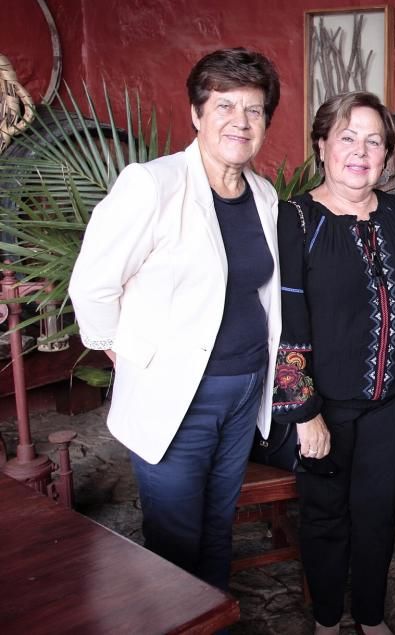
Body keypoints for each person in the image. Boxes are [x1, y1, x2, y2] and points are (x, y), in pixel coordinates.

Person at [68, 48, 282, 590]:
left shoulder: (263, 194)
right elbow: (92, 284)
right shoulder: (153, 184)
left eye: (254, 110)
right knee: (174, 537)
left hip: (243, 392)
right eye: (225, 106)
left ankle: (212, 619)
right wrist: (129, 353)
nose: (240, 121)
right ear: (196, 113)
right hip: (178, 396)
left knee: (218, 526)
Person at [272, 92, 395, 635]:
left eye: (373, 140)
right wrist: (304, 409)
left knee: (379, 513)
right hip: (325, 406)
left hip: (391, 402)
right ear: (322, 145)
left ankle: (369, 614)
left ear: (386, 154)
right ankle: (327, 619)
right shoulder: (296, 219)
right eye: (347, 137)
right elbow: (287, 319)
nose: (360, 151)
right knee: (324, 515)